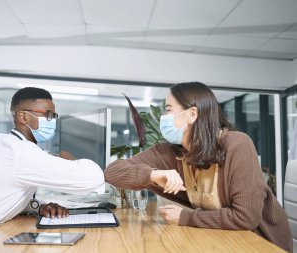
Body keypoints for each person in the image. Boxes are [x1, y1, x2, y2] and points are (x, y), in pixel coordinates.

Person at [105, 82, 292, 252]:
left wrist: (186, 217)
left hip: (258, 243)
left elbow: (246, 217)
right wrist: (153, 175)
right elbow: (111, 172)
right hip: (220, 237)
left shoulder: (238, 145)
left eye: (168, 110)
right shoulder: (170, 152)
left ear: (192, 114)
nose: (164, 118)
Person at [0, 87, 104, 250]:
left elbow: (3, 196)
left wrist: (39, 206)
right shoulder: (19, 152)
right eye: (47, 115)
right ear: (23, 116)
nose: (52, 121)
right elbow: (93, 179)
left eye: (54, 116)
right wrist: (71, 160)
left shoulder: (2, 143)